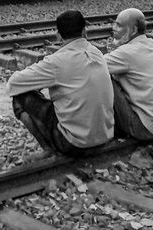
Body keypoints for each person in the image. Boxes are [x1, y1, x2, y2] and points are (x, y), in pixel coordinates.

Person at [7, 10, 114, 157]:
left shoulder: (56, 61)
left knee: (20, 98)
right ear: (85, 31)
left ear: (58, 35)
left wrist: (38, 84)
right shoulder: (97, 53)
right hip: (106, 136)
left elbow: (13, 83)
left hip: (74, 145)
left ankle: (48, 149)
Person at [104, 8, 153, 141]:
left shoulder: (128, 52)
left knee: (102, 77)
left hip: (142, 128)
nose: (113, 28)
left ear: (134, 30)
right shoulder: (149, 45)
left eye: (119, 25)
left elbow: (92, 67)